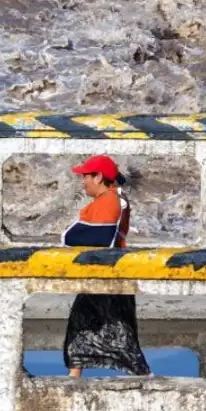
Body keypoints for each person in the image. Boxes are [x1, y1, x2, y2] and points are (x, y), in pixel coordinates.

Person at [61, 154, 149, 377]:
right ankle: (74, 376)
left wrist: (67, 237)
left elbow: (91, 236)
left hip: (108, 275)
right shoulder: (109, 199)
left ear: (98, 177)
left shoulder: (110, 201)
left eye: (86, 176)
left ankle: (142, 376)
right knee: (81, 322)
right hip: (100, 273)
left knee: (119, 330)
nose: (83, 182)